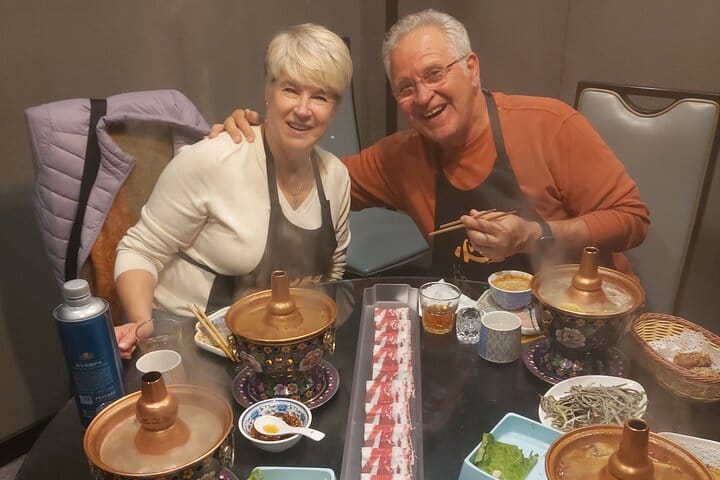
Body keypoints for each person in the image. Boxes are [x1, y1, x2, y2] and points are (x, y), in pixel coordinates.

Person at [212, 9, 649, 282]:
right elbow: (316, 181)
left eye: (435, 74)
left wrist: (536, 234)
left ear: (472, 69)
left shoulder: (548, 125)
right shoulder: (400, 157)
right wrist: (254, 144)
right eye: (406, 88)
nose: (423, 97)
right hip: (466, 324)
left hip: (576, 314)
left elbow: (632, 218)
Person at [114, 24, 353, 358]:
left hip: (277, 343)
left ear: (335, 108)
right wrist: (143, 325)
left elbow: (332, 271)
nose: (302, 109)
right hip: (191, 342)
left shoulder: (336, 176)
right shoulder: (213, 160)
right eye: (290, 90)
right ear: (268, 91)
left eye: (320, 96)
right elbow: (140, 250)